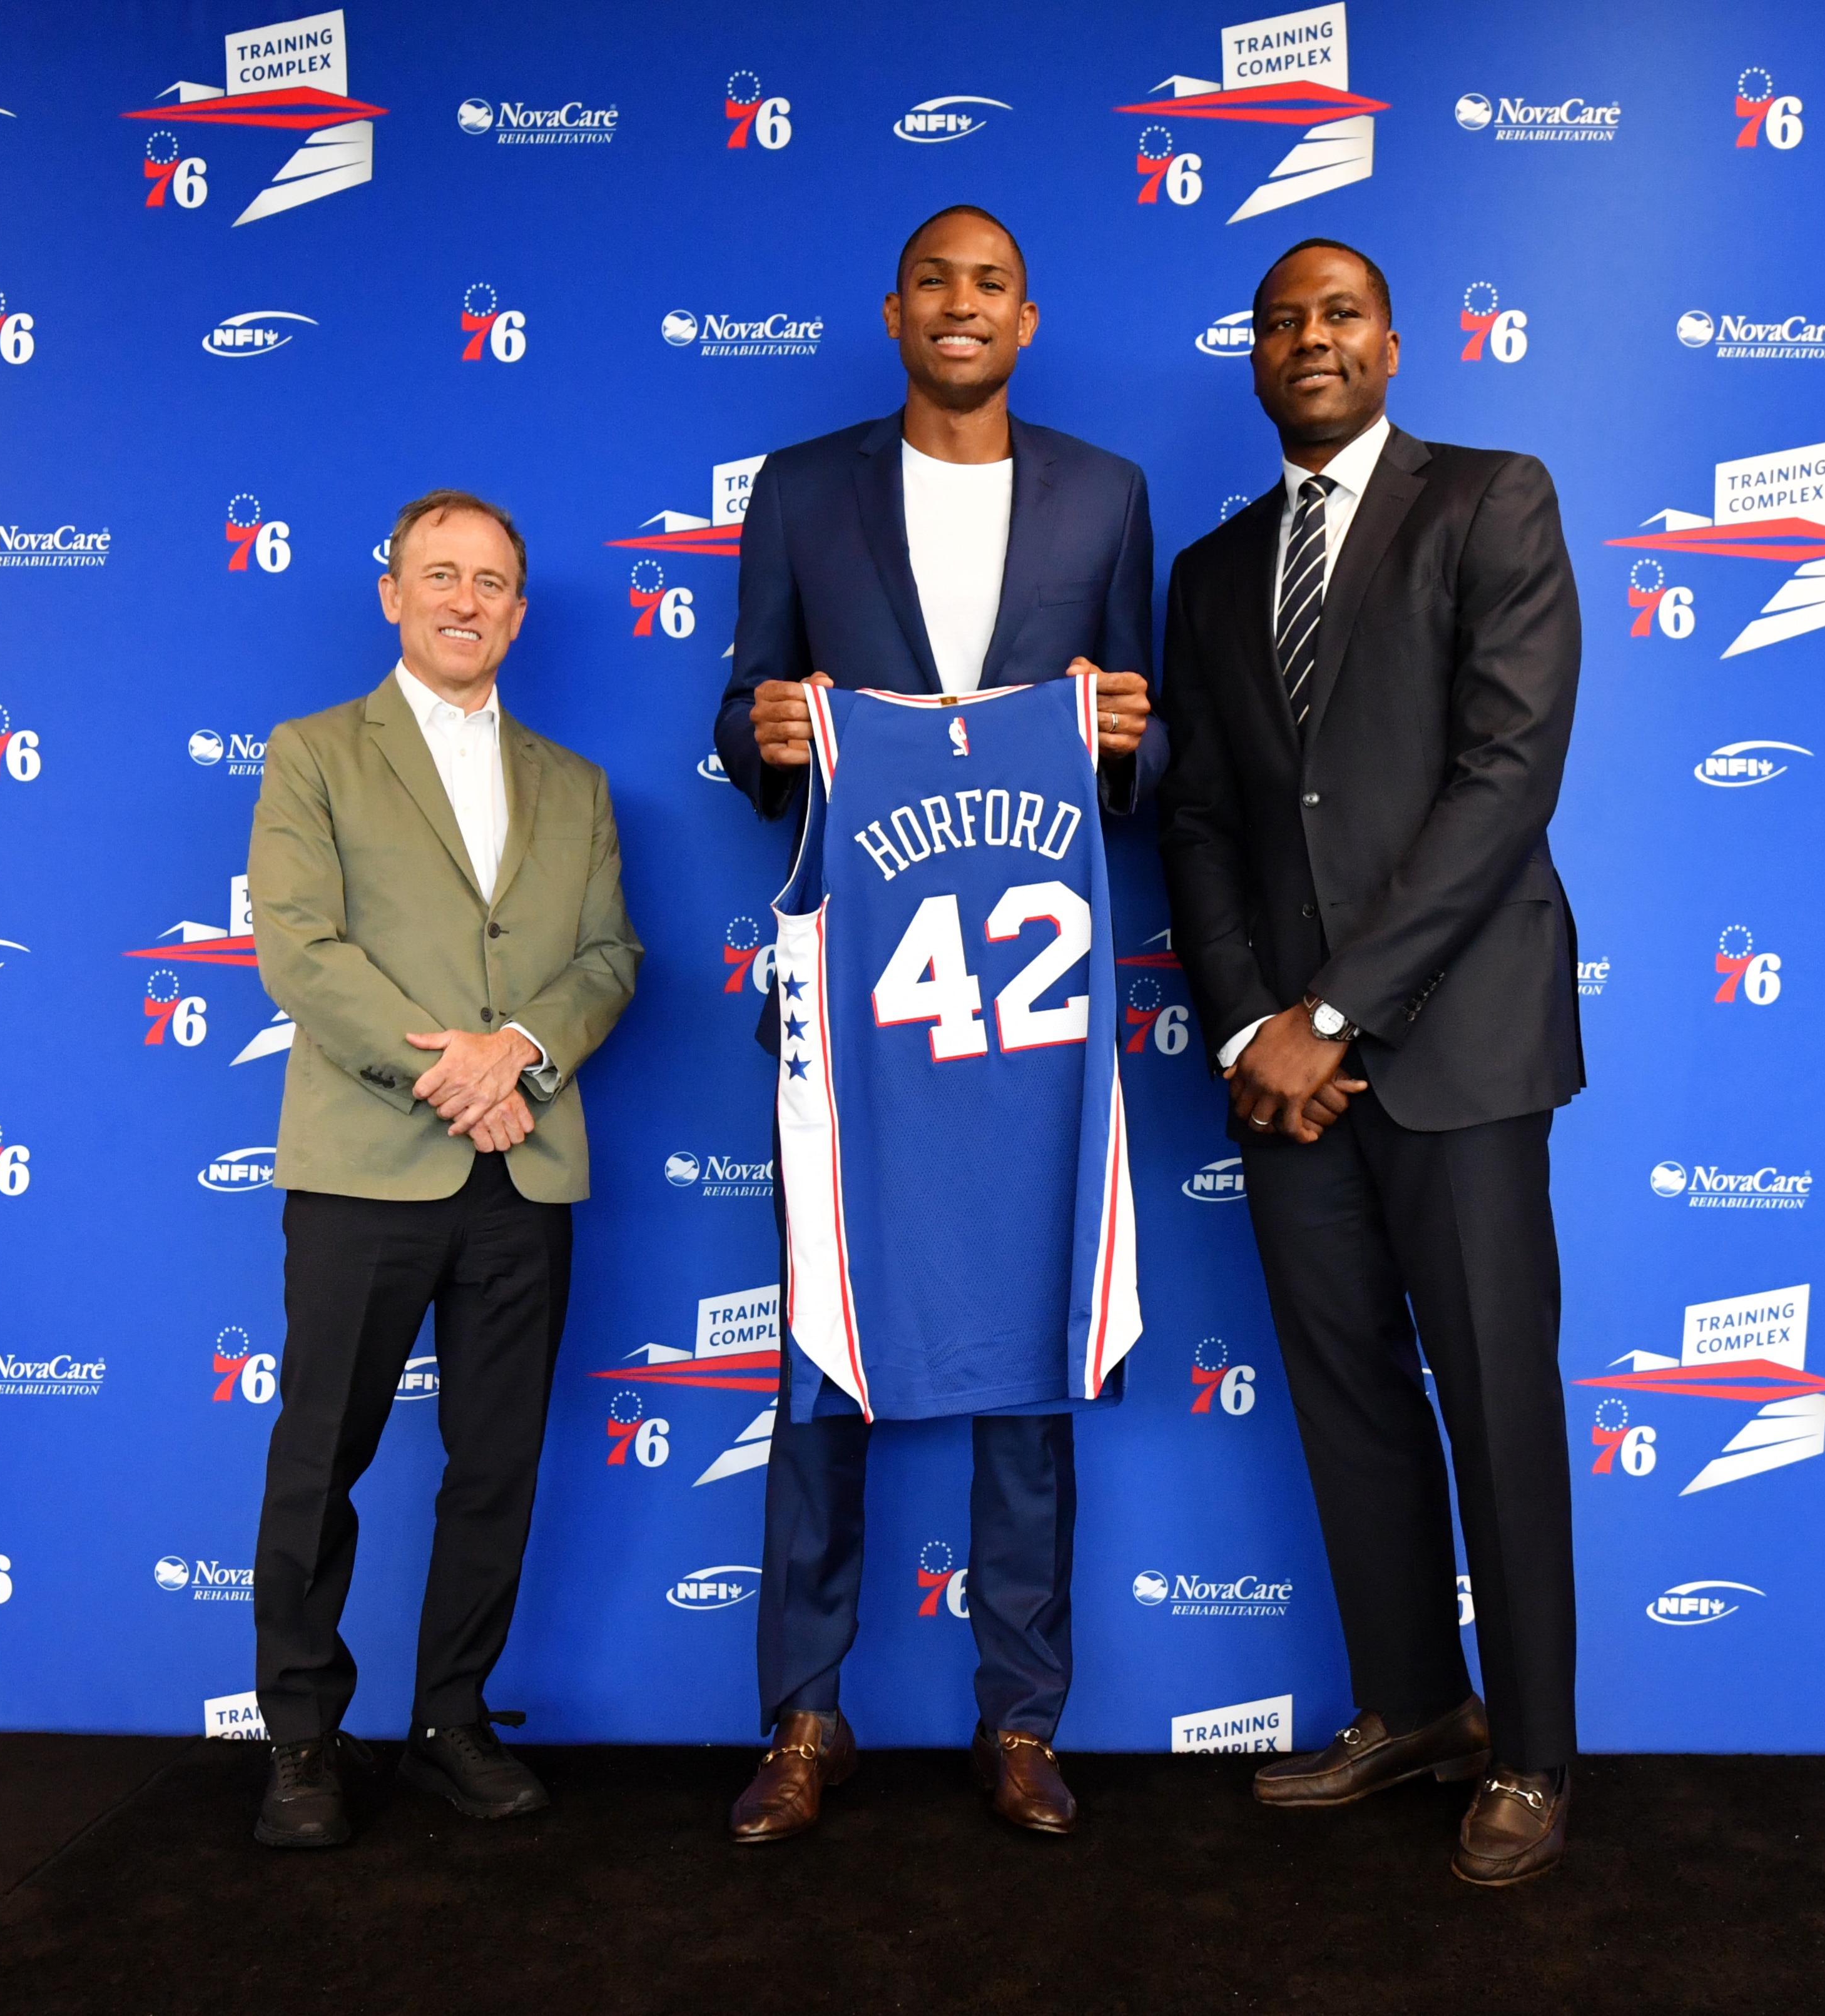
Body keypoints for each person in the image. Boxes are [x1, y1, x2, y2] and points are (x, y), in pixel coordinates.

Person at [710, 205, 1161, 1841]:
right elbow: (740, 717)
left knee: (1028, 1355)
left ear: (1023, 321)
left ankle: (1020, 1717)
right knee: (827, 1345)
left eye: (989, 285)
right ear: (893, 310)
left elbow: (1145, 751)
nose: (959, 305)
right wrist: (766, 732)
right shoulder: (799, 487)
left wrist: (1130, 734)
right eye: (932, 282)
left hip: (1030, 1004)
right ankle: (804, 1713)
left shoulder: (1105, 492)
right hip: (858, 995)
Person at [1154, 240, 1587, 1887]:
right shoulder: (1211, 573)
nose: (1308, 339)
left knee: (1495, 1403)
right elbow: (1200, 821)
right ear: (1254, 359)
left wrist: (1327, 1017)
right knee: (1347, 1403)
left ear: (1391, 344)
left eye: (1337, 314)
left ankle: (1531, 1753)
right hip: (1281, 1079)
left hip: (1451, 1049)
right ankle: (1413, 1706)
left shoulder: (1491, 499)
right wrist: (1246, 1027)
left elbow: (1503, 782)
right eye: (1279, 321)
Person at [242, 489, 642, 1848]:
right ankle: (301, 1738)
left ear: (518, 613)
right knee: (321, 1457)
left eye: (490, 582)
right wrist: (453, 1076)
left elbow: (609, 958)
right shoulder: (312, 754)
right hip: (367, 1171)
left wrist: (516, 1053)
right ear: (392, 595)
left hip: (524, 1175)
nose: (464, 600)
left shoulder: (576, 784)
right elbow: (300, 951)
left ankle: (450, 1720)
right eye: (439, 574)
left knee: (496, 1463)